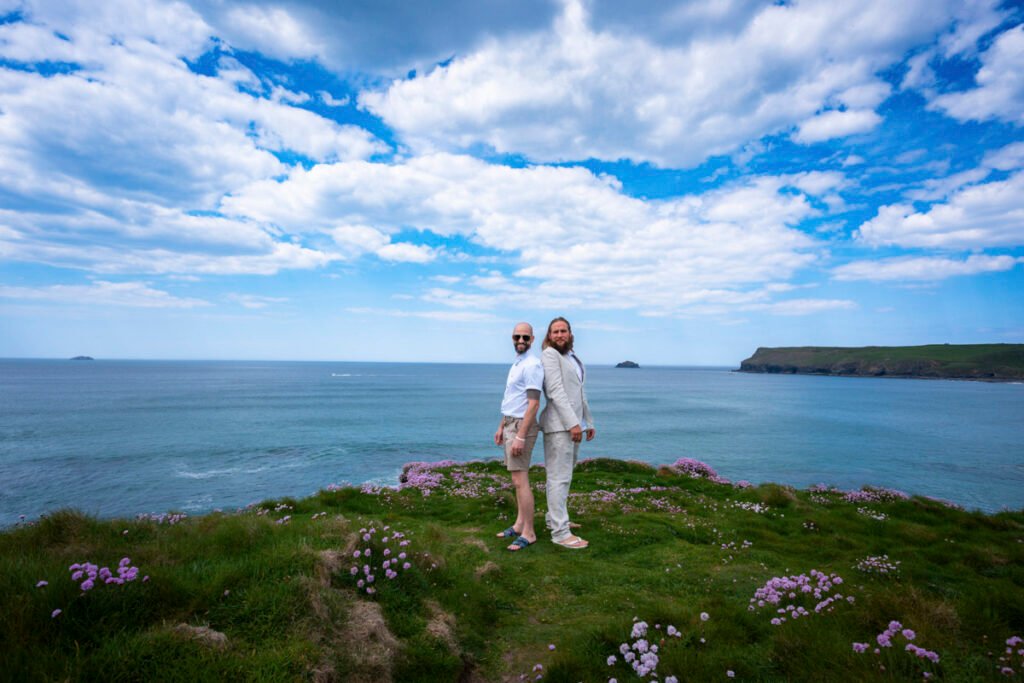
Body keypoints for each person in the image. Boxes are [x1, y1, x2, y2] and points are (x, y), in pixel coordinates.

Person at [539, 317, 594, 549]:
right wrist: (573, 423)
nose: (560, 335)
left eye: (563, 331)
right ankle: (560, 533)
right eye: (555, 332)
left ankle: (554, 519)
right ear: (549, 336)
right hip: (559, 426)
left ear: (570, 333)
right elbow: (555, 391)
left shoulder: (572, 357)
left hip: (573, 425)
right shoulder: (550, 355)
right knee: (558, 477)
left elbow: (579, 392)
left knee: (565, 475)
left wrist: (587, 422)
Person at [494, 322, 543, 551]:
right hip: (511, 423)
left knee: (520, 481)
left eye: (525, 337)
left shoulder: (532, 364)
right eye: (517, 337)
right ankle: (519, 524)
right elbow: (512, 399)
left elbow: (533, 404)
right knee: (516, 480)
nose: (520, 341)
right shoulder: (518, 362)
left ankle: (529, 532)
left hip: (522, 427)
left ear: (532, 339)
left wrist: (520, 436)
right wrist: (501, 426)